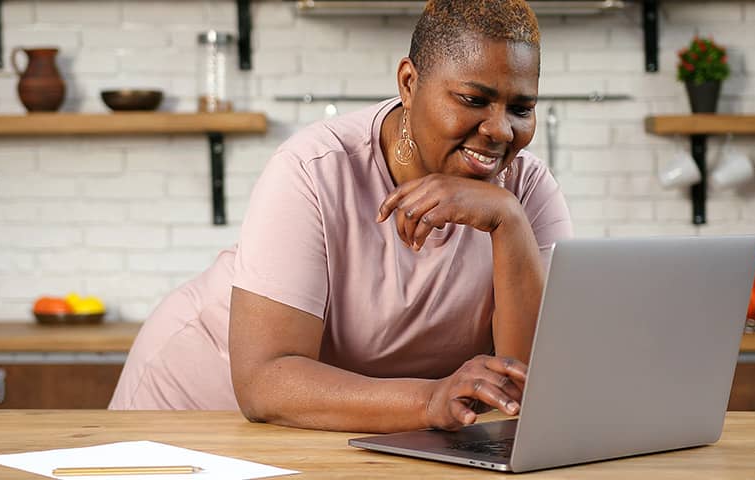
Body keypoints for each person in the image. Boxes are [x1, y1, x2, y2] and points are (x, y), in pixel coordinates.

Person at [109, 0, 571, 434]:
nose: (499, 130)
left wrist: (507, 222)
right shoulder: (313, 168)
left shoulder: (525, 192)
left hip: (359, 427)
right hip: (197, 412)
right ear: (409, 83)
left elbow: (528, 385)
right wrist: (428, 400)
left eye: (520, 108)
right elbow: (264, 381)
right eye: (473, 99)